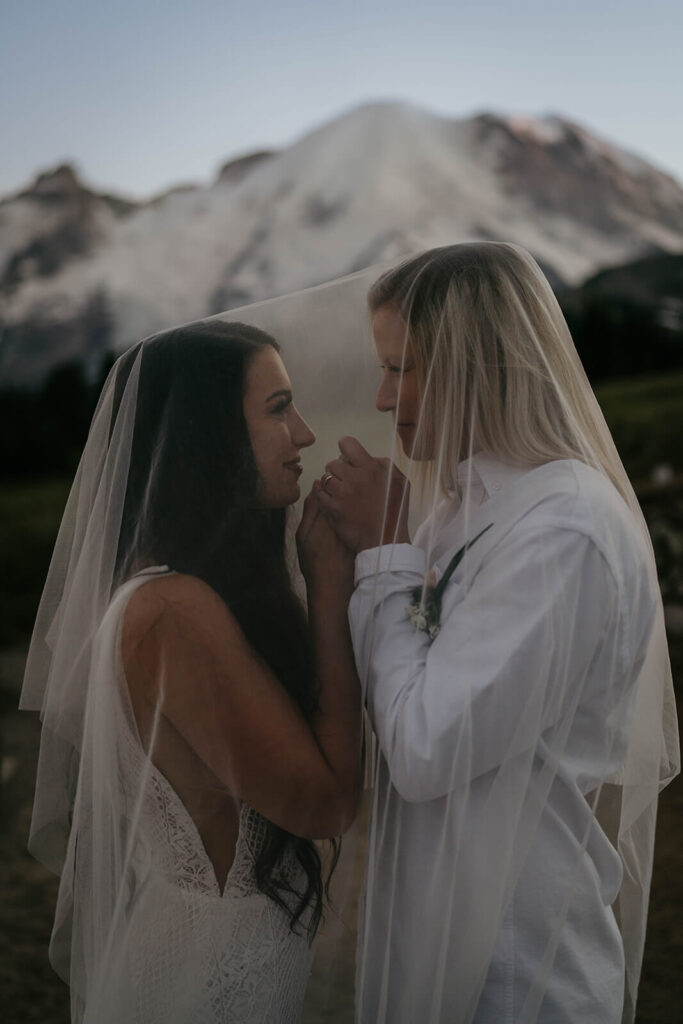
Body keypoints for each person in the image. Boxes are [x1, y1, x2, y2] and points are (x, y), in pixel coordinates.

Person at [315, 243, 679, 1023]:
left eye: (401, 369)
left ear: (477, 363)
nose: (381, 399)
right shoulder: (460, 507)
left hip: (518, 968)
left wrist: (385, 554)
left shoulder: (565, 528)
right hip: (439, 929)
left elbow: (421, 745)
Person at [20, 319, 362, 1024]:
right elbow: (323, 805)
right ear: (207, 438)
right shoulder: (173, 610)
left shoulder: (180, 595)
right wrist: (330, 590)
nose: (302, 433)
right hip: (208, 982)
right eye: (276, 409)